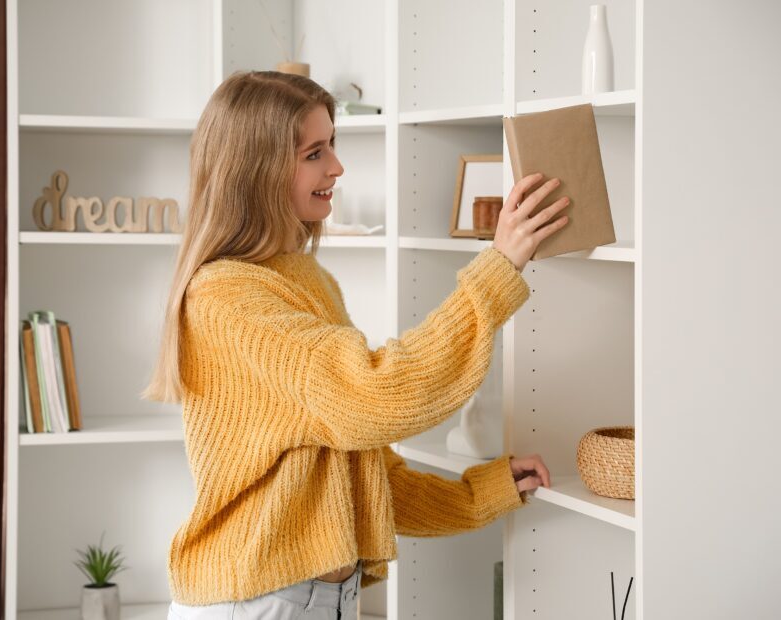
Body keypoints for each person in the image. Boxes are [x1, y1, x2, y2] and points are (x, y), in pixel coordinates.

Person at [143, 70, 570, 620]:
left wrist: (478, 494)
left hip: (319, 602)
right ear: (258, 170)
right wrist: (497, 269)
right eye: (314, 153)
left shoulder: (302, 278)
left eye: (333, 146)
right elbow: (375, 395)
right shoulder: (226, 297)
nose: (337, 168)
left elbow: (365, 473)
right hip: (256, 606)